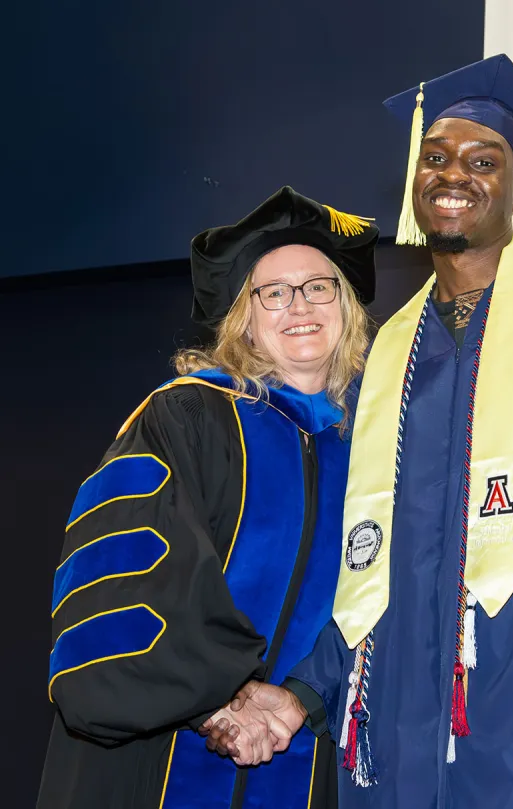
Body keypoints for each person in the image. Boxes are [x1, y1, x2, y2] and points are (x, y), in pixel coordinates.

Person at [206, 54, 513, 808]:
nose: (453, 173)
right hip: (404, 705)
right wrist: (300, 693)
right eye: (434, 158)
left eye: (483, 161)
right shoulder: (388, 351)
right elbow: (367, 561)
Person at [36, 186, 377, 809]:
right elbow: (131, 573)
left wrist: (301, 695)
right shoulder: (187, 415)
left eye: (318, 286)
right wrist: (220, 700)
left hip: (304, 748)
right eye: (272, 292)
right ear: (244, 316)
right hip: (165, 747)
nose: (298, 305)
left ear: (346, 306)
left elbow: (377, 601)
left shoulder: (374, 449)